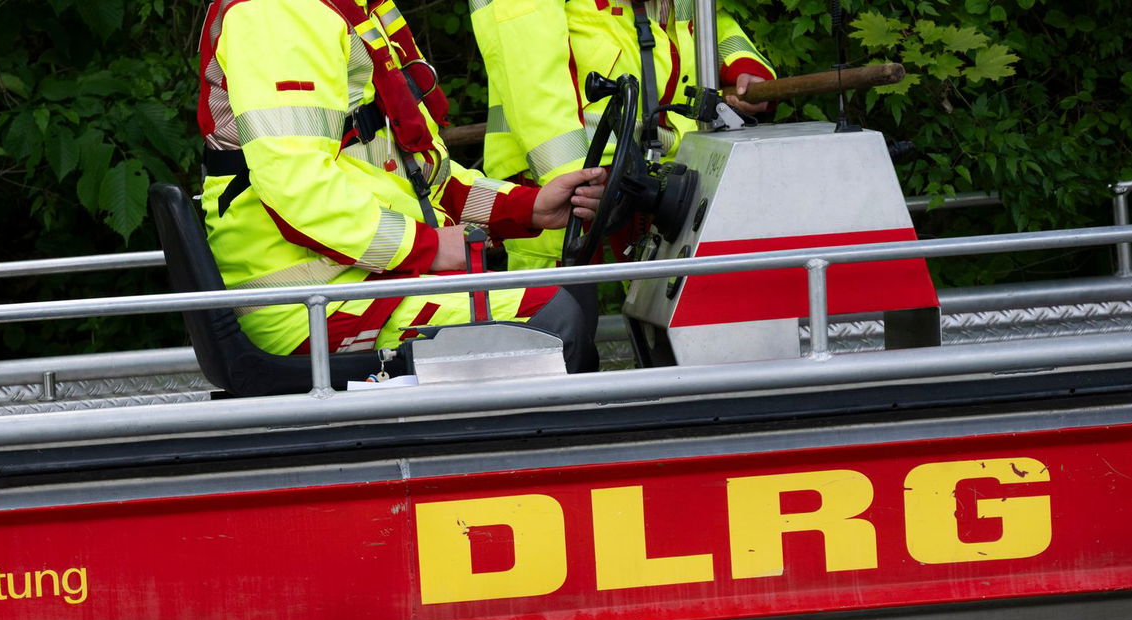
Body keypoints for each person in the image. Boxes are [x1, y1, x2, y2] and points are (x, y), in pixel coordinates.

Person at [196, 0, 607, 373]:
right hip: (310, 305)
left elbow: (421, 178)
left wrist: (527, 207)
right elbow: (295, 187)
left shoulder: (355, 9)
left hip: (363, 283)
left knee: (564, 305)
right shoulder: (280, 11)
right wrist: (428, 247)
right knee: (551, 322)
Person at [470, 0, 776, 269]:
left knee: (657, 298)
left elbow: (702, 19)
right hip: (559, 174)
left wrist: (742, 65)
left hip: (660, 165)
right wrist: (570, 178)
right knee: (559, 304)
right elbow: (531, 76)